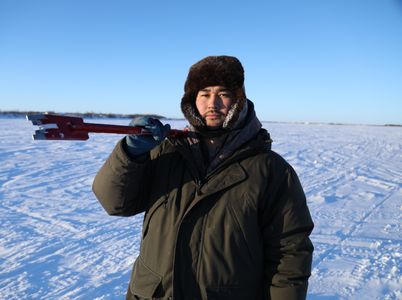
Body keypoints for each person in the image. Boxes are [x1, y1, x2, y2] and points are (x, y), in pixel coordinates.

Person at [92, 55, 314, 300]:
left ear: (239, 99)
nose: (213, 103)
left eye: (223, 94)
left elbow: (290, 252)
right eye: (204, 93)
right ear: (192, 100)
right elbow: (115, 203)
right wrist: (130, 155)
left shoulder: (270, 170)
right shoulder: (167, 152)